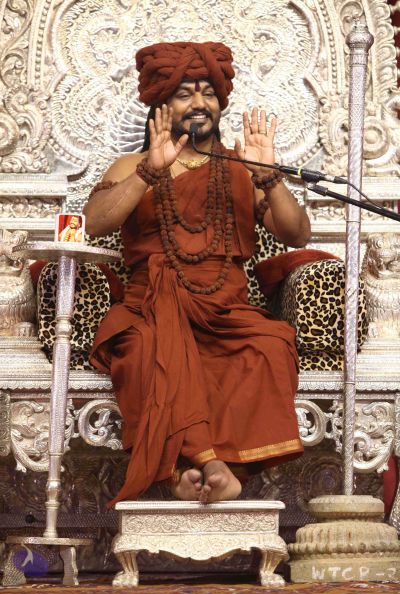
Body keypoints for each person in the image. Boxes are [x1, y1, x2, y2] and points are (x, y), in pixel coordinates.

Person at [83, 41, 311, 507]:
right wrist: (148, 173)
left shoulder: (241, 168)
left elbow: (297, 234)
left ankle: (199, 471)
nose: (199, 103)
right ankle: (204, 469)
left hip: (226, 311)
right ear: (162, 104)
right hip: (150, 309)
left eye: (208, 92)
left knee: (269, 345)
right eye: (184, 93)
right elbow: (93, 222)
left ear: (221, 102)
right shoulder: (131, 166)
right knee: (147, 351)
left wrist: (269, 177)